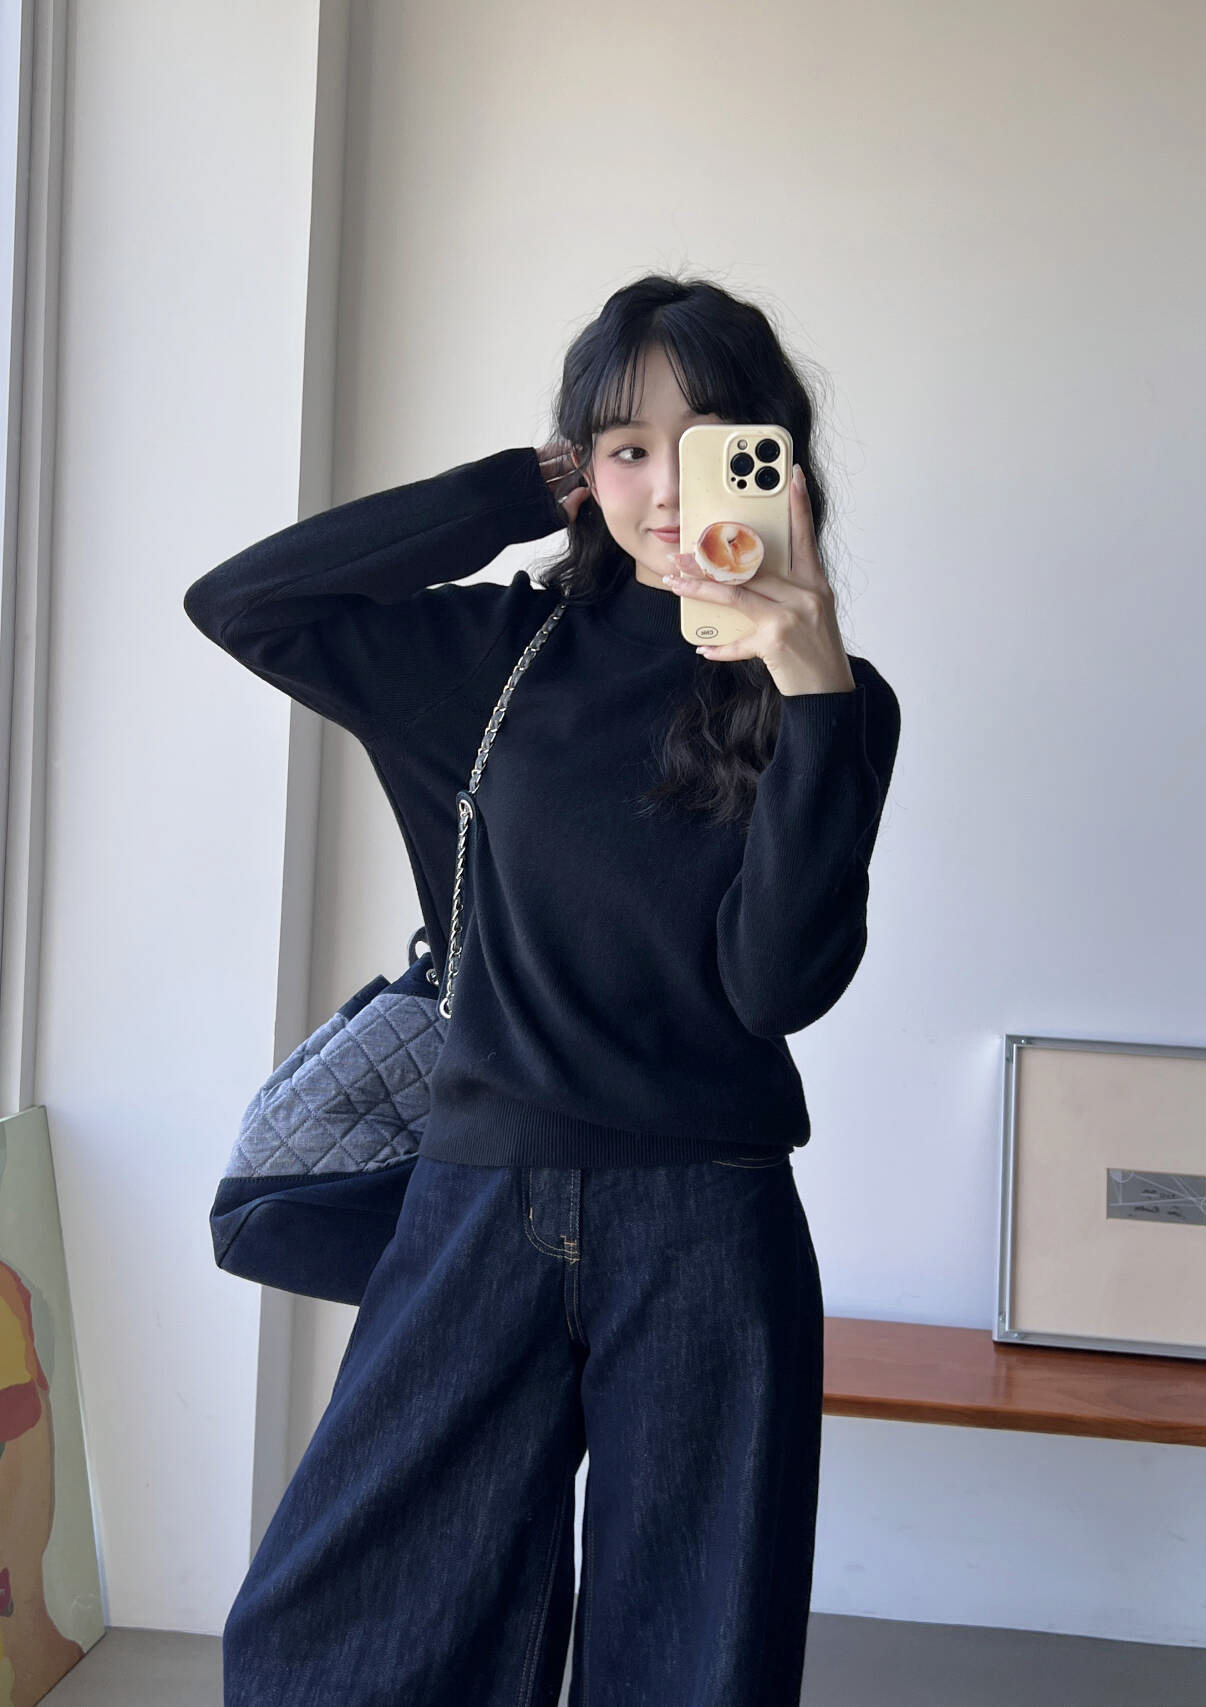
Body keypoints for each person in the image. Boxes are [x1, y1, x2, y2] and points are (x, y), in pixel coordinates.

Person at [184, 271, 901, 1707]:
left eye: (709, 444)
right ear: (586, 467)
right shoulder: (490, 657)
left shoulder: (835, 700)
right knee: (344, 1639)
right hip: (479, 1195)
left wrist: (811, 690)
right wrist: (519, 487)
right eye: (627, 447)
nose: (665, 488)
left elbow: (777, 989)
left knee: (692, 1660)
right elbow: (243, 603)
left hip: (709, 1220)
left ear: (776, 462)